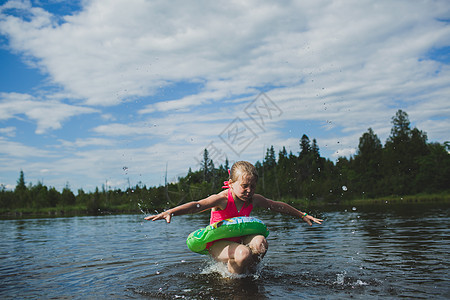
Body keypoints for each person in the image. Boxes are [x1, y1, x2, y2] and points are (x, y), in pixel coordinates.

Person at [145, 161, 323, 274]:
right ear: (230, 183)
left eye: (252, 186)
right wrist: (171, 212)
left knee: (260, 244)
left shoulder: (253, 199)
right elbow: (197, 205)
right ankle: (231, 283)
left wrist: (302, 215)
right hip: (217, 244)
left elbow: (277, 205)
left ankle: (251, 274)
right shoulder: (222, 199)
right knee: (243, 253)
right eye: (244, 186)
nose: (249, 191)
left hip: (239, 238)